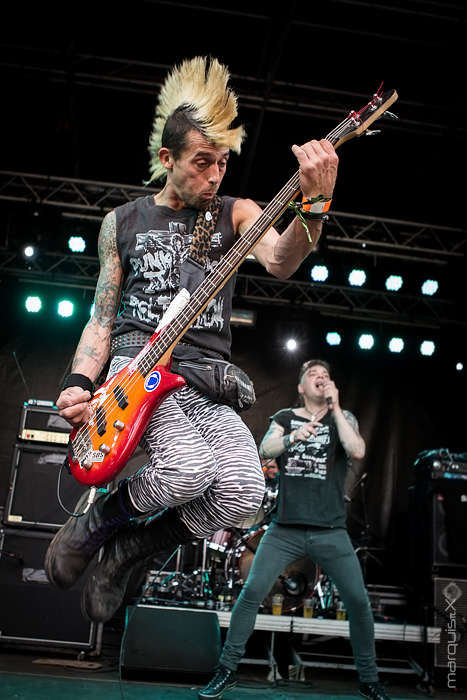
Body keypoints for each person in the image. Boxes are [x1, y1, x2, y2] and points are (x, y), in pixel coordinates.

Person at [44, 56, 339, 625]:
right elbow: (101, 318)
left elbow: (281, 259)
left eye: (222, 163)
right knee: (185, 470)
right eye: (201, 163)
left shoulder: (235, 213)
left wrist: (316, 205)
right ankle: (97, 521)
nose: (214, 176)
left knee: (244, 493)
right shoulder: (122, 222)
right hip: (140, 366)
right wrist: (79, 382)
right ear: (167, 159)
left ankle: (129, 551)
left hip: (206, 375)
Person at [199, 360, 391, 700]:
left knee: (359, 603)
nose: (322, 379)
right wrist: (292, 436)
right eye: (314, 376)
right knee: (251, 594)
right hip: (285, 529)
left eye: (326, 376)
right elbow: (265, 449)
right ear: (301, 387)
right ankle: (226, 671)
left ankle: (369, 680)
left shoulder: (341, 419)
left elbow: (357, 450)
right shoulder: (285, 418)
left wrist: (337, 405)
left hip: (331, 531)